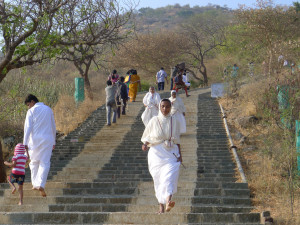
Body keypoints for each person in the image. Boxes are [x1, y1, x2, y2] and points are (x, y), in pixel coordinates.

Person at [141, 99, 182, 214]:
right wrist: (145, 145)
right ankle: (161, 207)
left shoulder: (175, 120)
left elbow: (177, 140)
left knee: (169, 176)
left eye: (167, 107)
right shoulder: (154, 120)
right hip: (156, 153)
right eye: (163, 106)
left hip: (170, 152)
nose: (165, 109)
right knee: (158, 179)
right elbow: (147, 136)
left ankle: (169, 201)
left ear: (170, 107)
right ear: (160, 107)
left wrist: (180, 155)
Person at [23, 94, 56, 197]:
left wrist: (25, 143)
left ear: (32, 102)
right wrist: (54, 141)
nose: (29, 107)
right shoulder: (48, 109)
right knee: (45, 163)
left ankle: (35, 184)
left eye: (28, 104)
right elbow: (53, 126)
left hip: (34, 141)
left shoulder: (31, 111)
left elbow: (27, 128)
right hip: (47, 139)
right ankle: (40, 184)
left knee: (34, 163)